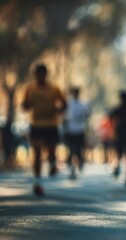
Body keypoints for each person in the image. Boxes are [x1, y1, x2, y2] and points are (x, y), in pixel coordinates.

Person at [22, 64, 67, 196]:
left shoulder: (54, 89)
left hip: (51, 125)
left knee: (51, 151)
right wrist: (26, 105)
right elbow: (25, 106)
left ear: (46, 74)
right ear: (35, 75)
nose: (40, 76)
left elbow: (64, 104)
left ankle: (53, 163)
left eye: (42, 73)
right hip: (36, 125)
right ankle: (37, 183)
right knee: (37, 153)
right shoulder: (29, 89)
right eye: (37, 74)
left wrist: (58, 110)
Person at [110, 91, 126, 187]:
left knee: (119, 153)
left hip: (119, 133)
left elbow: (111, 119)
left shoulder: (117, 109)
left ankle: (117, 167)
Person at [63, 87, 89, 180]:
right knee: (71, 150)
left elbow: (87, 115)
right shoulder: (68, 104)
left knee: (78, 150)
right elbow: (63, 116)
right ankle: (71, 168)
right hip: (70, 130)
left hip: (80, 130)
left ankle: (78, 164)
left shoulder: (83, 104)